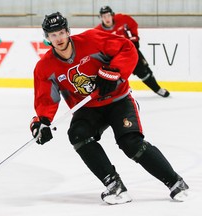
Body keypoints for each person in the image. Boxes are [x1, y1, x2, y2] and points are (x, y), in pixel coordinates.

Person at [30, 12, 188, 205]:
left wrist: (114, 71)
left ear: (68, 31)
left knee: (131, 142)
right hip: (89, 108)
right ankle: (114, 185)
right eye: (53, 35)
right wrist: (43, 122)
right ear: (46, 38)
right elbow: (46, 98)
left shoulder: (91, 40)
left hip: (119, 100)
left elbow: (127, 48)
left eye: (61, 32)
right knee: (77, 134)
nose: (59, 38)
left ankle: (175, 182)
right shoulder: (45, 67)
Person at [95, 6, 170, 98]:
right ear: (100, 18)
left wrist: (134, 38)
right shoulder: (98, 31)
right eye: (103, 16)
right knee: (114, 77)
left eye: (108, 15)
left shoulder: (123, 19)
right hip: (116, 59)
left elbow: (133, 25)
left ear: (112, 15)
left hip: (131, 52)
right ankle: (114, 95)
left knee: (144, 72)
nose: (106, 18)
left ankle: (157, 89)